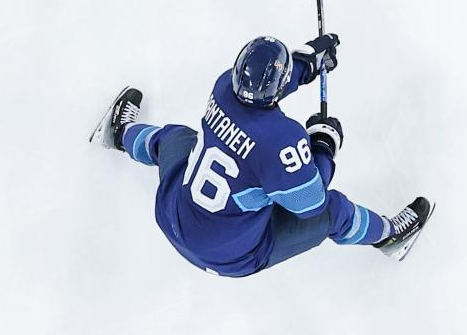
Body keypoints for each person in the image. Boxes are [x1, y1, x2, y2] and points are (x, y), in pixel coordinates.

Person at [90, 34, 432, 276]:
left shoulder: (224, 86)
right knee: (334, 211)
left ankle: (120, 134)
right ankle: (390, 235)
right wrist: (324, 146)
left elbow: (262, 88)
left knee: (174, 138)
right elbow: (311, 202)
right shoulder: (282, 141)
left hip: (172, 214)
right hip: (230, 254)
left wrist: (306, 63)